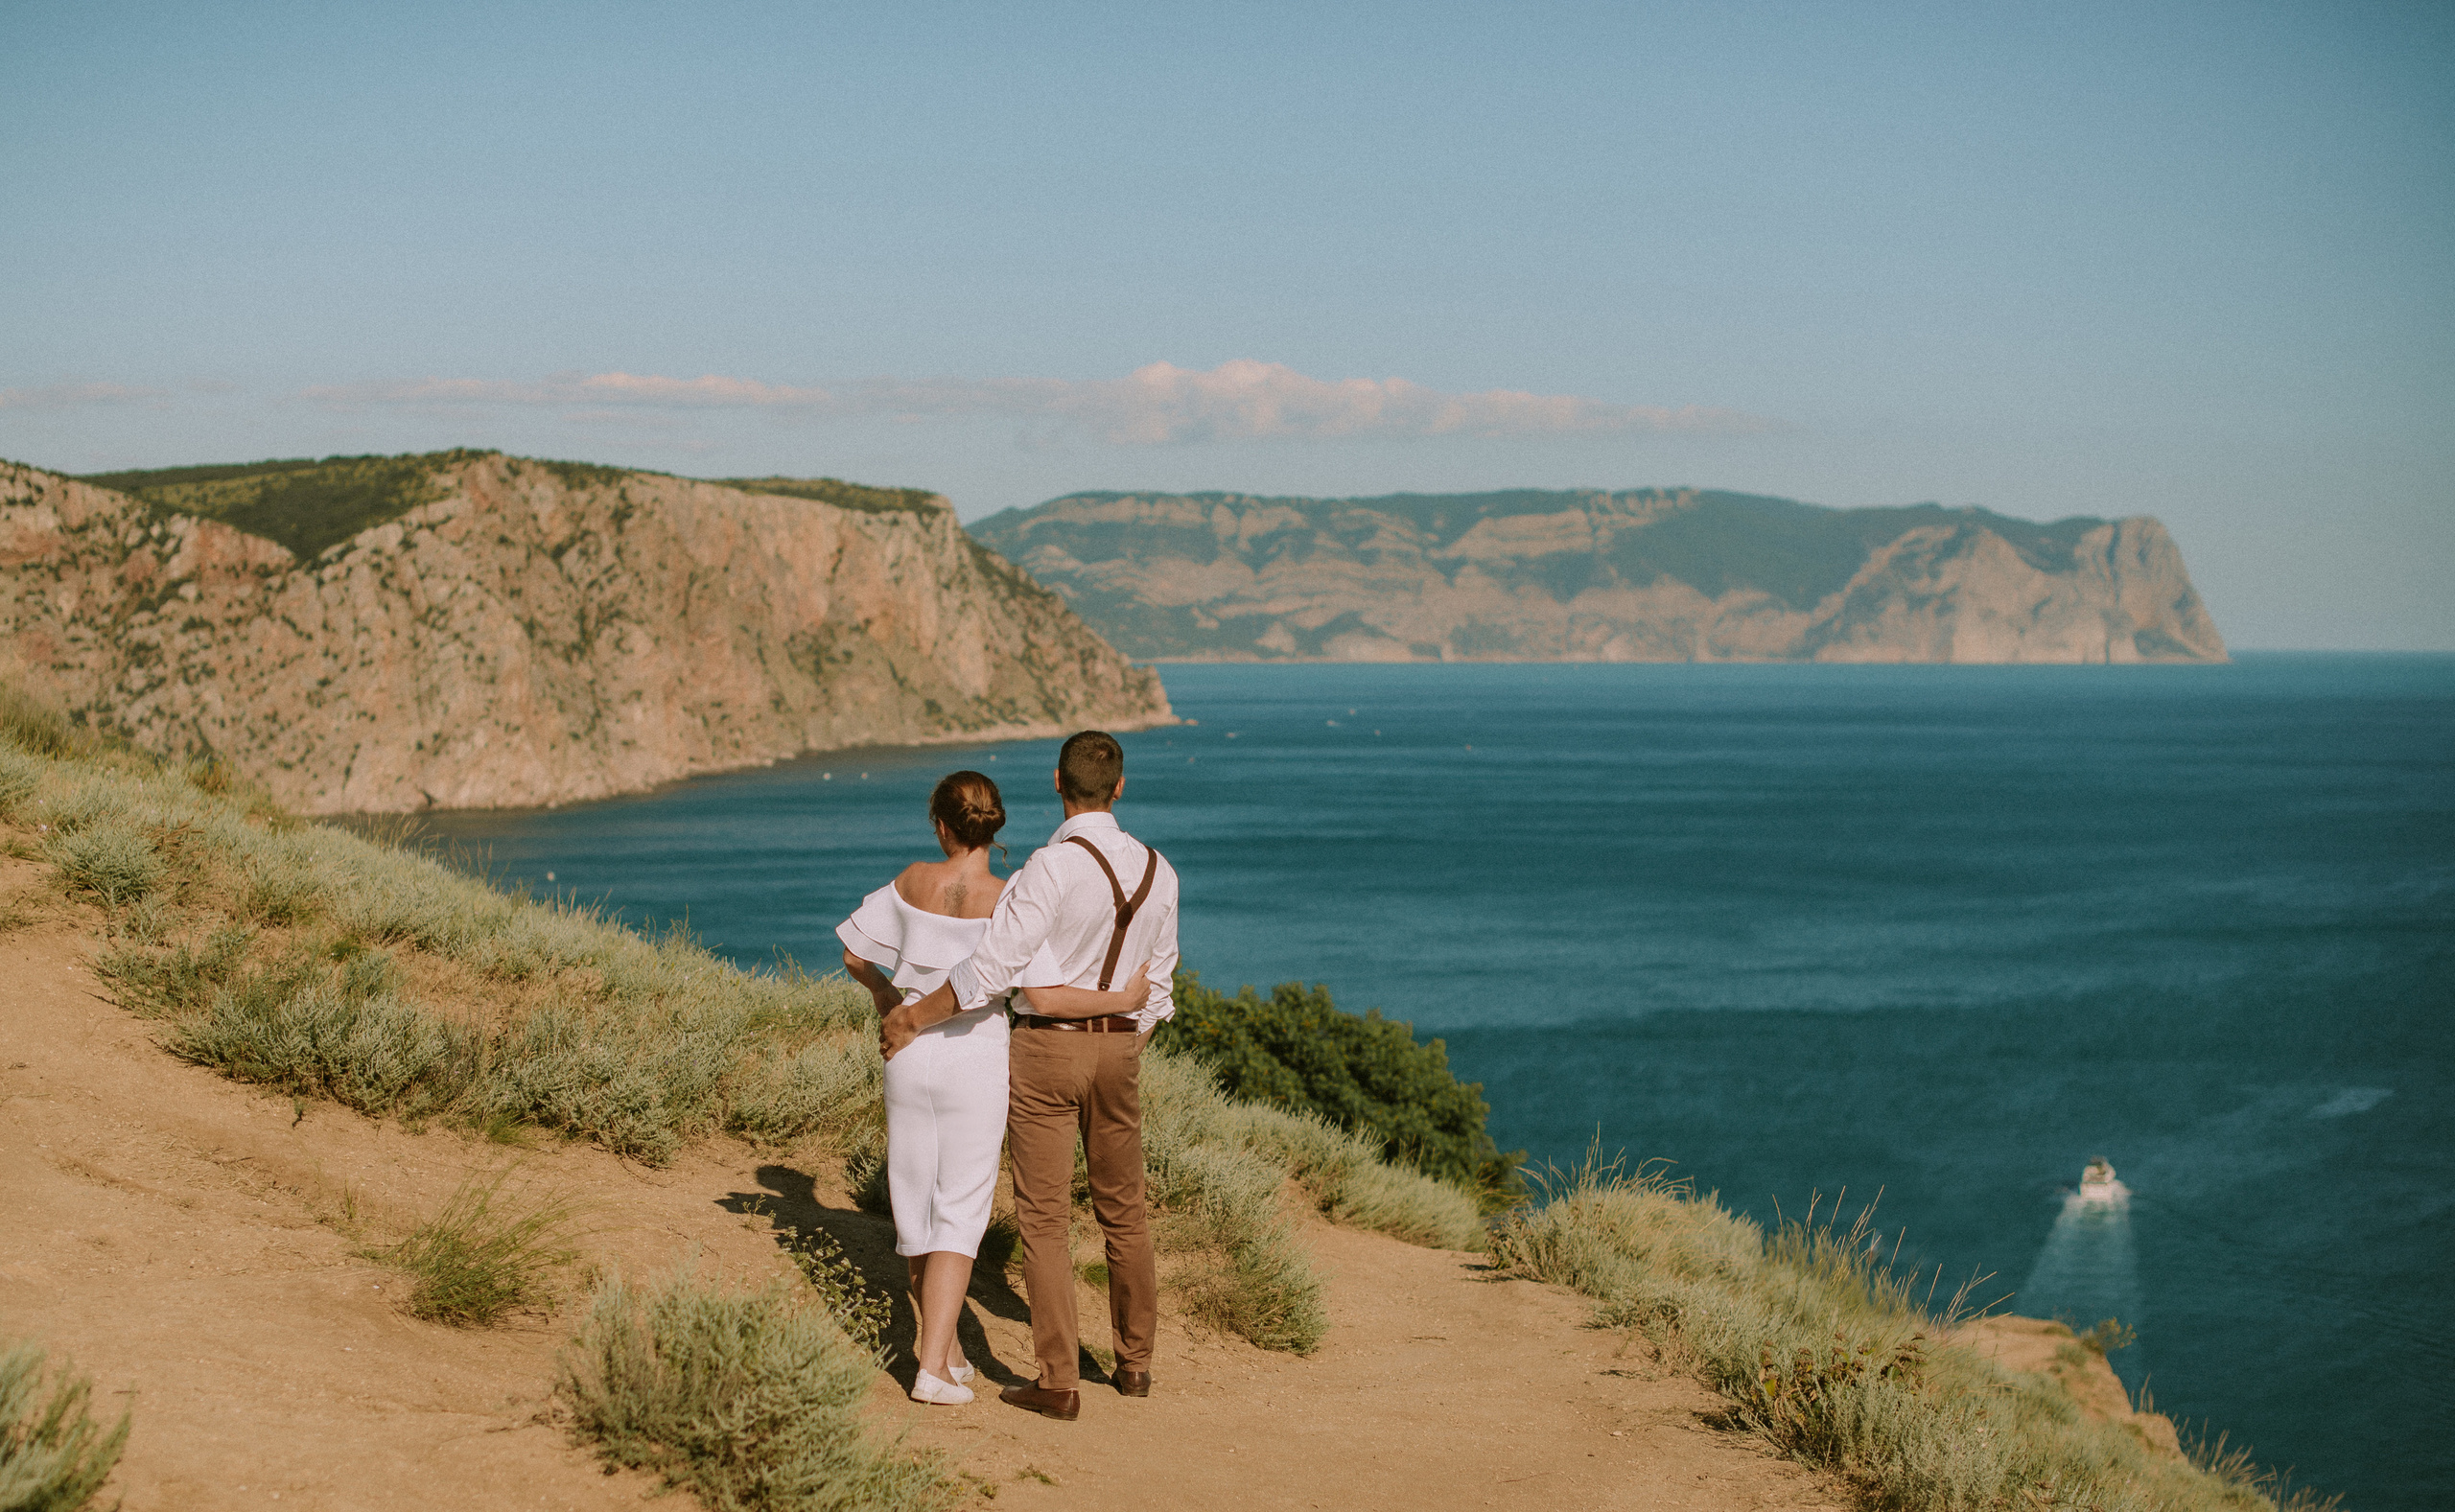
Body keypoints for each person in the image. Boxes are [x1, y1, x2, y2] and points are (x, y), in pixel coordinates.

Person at [882, 731, 1180, 1422]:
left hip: (1046, 1051)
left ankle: (1059, 1379)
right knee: (1125, 1209)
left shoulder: (1049, 866)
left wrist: (914, 1016)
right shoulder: (1162, 871)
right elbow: (1158, 988)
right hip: (1121, 1052)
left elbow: (993, 970)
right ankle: (1135, 1363)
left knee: (1046, 1216)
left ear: (1056, 781)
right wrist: (1123, 1037)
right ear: (1120, 787)